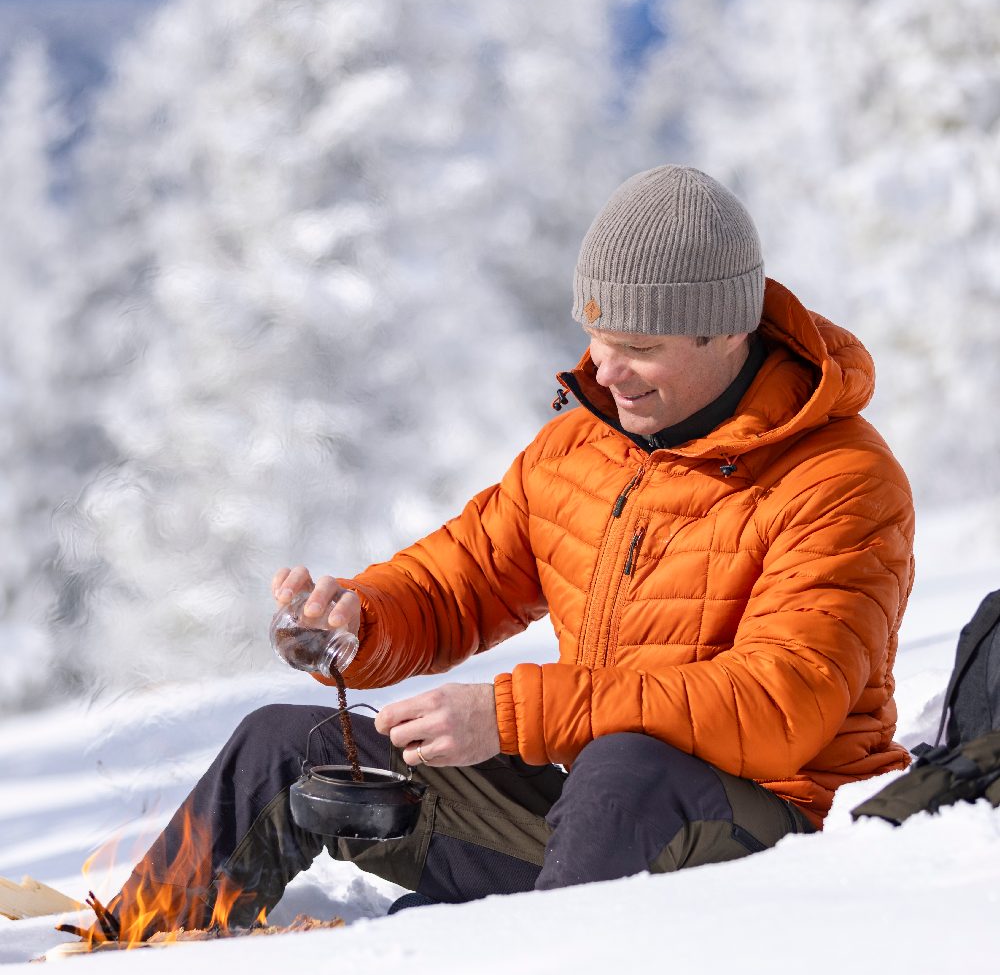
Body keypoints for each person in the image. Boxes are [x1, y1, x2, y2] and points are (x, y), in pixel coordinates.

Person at [111, 165, 915, 933]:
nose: (607, 371)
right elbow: (457, 585)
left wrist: (513, 716)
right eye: (597, 337)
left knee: (624, 766)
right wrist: (359, 616)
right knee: (286, 743)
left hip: (769, 839)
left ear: (729, 329)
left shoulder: (839, 480)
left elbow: (781, 706)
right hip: (594, 833)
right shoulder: (578, 451)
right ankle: (131, 950)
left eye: (639, 346)